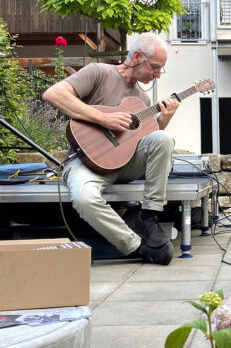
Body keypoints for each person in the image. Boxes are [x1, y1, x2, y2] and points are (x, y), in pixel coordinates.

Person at [43, 33, 179, 265]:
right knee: (85, 199)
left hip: (124, 164)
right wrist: (103, 119)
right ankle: (136, 247)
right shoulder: (99, 72)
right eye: (155, 68)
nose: (157, 75)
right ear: (137, 56)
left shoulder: (143, 100)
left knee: (163, 138)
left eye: (160, 70)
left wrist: (163, 121)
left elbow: (148, 142)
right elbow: (53, 94)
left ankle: (149, 216)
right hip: (86, 161)